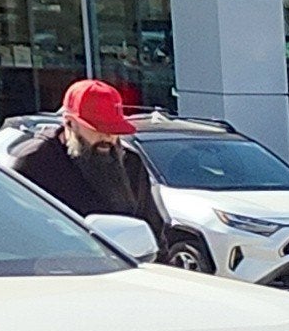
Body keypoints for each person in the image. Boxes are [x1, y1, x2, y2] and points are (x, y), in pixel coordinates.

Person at [11, 79, 177, 260]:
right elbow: (8, 232)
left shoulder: (130, 163)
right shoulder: (34, 162)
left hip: (125, 272)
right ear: (69, 123)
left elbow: (153, 230)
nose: (107, 136)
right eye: (97, 128)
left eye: (114, 129)